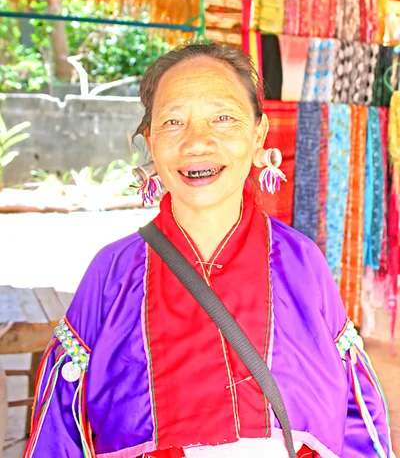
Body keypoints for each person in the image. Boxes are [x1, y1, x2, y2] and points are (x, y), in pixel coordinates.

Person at [23, 42, 394, 458]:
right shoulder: (112, 273)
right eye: (173, 122)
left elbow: (357, 413)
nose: (197, 143)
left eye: (223, 118)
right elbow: (60, 424)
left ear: (258, 137)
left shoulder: (301, 262)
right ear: (150, 143)